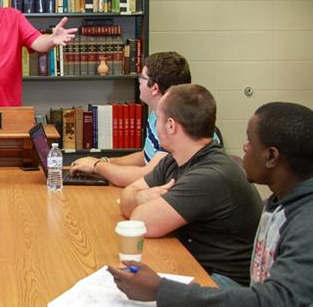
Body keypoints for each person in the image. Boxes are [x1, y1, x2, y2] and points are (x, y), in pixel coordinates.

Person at [108, 102, 313, 306]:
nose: (244, 147)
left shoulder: (305, 222)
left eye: (250, 142)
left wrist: (161, 289)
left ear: (271, 157)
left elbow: (278, 300)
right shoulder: (279, 202)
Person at [118, 84, 262, 286]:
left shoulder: (209, 175)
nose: (155, 126)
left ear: (170, 126)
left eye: (157, 119)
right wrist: (140, 198)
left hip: (223, 282)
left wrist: (138, 202)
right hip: (194, 261)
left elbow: (141, 221)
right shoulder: (174, 159)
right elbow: (127, 195)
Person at [70, 52, 193, 187]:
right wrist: (105, 162)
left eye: (142, 77)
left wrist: (96, 166)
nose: (138, 80)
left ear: (155, 88)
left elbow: (147, 175)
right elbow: (145, 157)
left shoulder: (175, 127)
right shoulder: (156, 116)